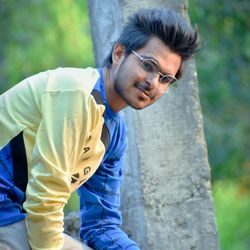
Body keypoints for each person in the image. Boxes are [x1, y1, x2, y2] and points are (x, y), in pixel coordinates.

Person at [0, 7, 199, 250]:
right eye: (148, 65)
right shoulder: (77, 94)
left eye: (165, 79)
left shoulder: (114, 134)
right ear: (118, 53)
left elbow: (101, 225)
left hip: (16, 213)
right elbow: (45, 201)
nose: (152, 83)